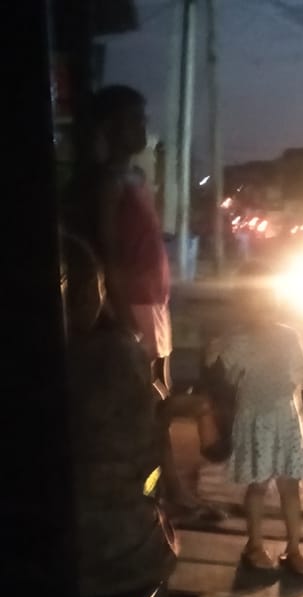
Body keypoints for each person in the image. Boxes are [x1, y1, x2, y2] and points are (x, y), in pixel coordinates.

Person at [69, 84, 219, 523]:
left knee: (159, 402)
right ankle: (167, 493)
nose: (141, 126)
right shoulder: (107, 183)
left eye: (141, 117)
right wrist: (122, 320)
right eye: (133, 119)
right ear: (108, 128)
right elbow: (110, 254)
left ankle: (166, 492)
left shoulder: (132, 176)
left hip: (152, 304)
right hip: (133, 307)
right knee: (153, 406)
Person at [64, 230, 177, 597]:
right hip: (117, 540)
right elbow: (147, 449)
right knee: (154, 577)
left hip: (55, 536)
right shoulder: (119, 355)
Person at [207, 262, 303, 575]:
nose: (262, 305)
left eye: (268, 298)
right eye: (253, 299)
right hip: (255, 422)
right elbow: (220, 381)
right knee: (258, 486)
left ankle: (294, 549)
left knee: (290, 488)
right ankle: (254, 545)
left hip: (287, 422)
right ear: (242, 303)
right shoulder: (234, 343)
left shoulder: (291, 336)